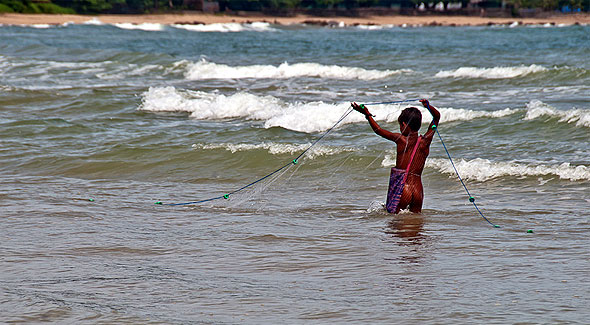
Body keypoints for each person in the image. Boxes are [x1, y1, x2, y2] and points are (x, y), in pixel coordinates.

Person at [351, 99, 440, 214]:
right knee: (416, 226)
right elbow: (437, 117)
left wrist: (367, 115)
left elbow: (378, 130)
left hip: (404, 189)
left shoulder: (401, 139)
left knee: (396, 226)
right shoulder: (426, 141)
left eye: (400, 125)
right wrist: (428, 106)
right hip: (418, 190)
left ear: (403, 124)